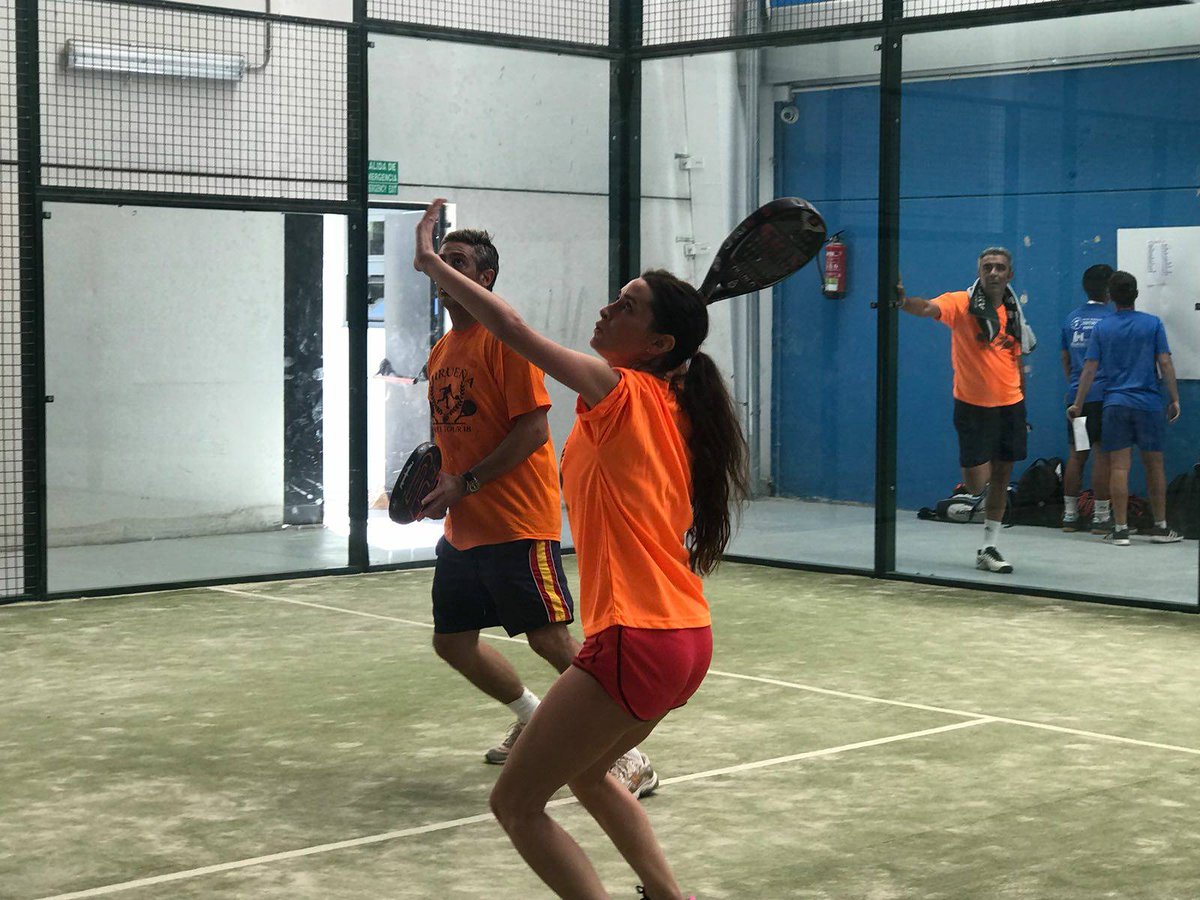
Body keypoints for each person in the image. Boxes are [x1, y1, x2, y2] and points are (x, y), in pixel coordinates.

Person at [414, 199, 747, 900]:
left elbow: (512, 330)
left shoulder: (624, 391)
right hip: (687, 637)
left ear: (657, 344)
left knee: (515, 804)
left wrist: (430, 262)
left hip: (639, 637)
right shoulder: (673, 404)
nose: (606, 309)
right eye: (616, 298)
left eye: (627, 307)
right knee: (590, 775)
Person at [416, 226, 657, 797]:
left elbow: (532, 431)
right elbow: (456, 434)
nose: (444, 269)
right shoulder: (442, 350)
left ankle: (631, 754)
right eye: (440, 259)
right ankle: (531, 717)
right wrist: (438, 488)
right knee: (453, 642)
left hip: (517, 523)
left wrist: (467, 482)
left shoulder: (504, 341)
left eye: (457, 261)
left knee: (550, 640)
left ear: (485, 278)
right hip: (465, 527)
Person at [897, 247, 1036, 574]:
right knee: (976, 484)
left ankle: (989, 547)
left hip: (1010, 405)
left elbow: (1016, 360)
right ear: (979, 271)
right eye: (988, 267)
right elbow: (927, 307)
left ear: (1009, 274)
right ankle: (972, 500)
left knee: (1002, 475)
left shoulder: (1013, 312)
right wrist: (903, 302)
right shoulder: (961, 303)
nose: (993, 272)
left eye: (999, 267)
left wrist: (1023, 407)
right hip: (972, 407)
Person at [1069, 270, 1182, 546]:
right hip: (1148, 403)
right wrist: (1174, 398)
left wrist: (1078, 403)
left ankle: (1120, 529)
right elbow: (1165, 363)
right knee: (1154, 465)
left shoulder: (1103, 328)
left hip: (1115, 405)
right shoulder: (1152, 324)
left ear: (1111, 296)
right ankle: (1160, 527)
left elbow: (1090, 368)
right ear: (1136, 294)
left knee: (1119, 467)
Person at [1060, 264, 1114, 533]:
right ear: (1109, 290)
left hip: (1077, 401)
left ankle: (1070, 516)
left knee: (1077, 454)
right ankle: (1101, 518)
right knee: (1102, 454)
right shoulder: (1112, 319)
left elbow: (1066, 359)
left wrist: (1076, 387)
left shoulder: (1071, 319)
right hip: (1103, 399)